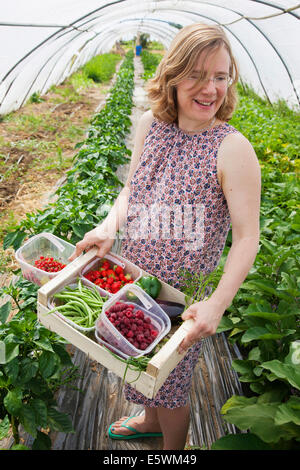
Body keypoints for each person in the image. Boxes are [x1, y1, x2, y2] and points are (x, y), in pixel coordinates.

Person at [69, 23, 261, 450]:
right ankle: (149, 420)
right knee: (137, 357)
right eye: (197, 74)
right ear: (173, 75)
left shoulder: (232, 149)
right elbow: (132, 188)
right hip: (136, 275)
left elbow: (248, 238)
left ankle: (171, 449)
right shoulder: (151, 124)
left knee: (170, 381)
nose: (210, 88)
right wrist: (107, 229)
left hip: (181, 296)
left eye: (221, 76)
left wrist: (216, 304)